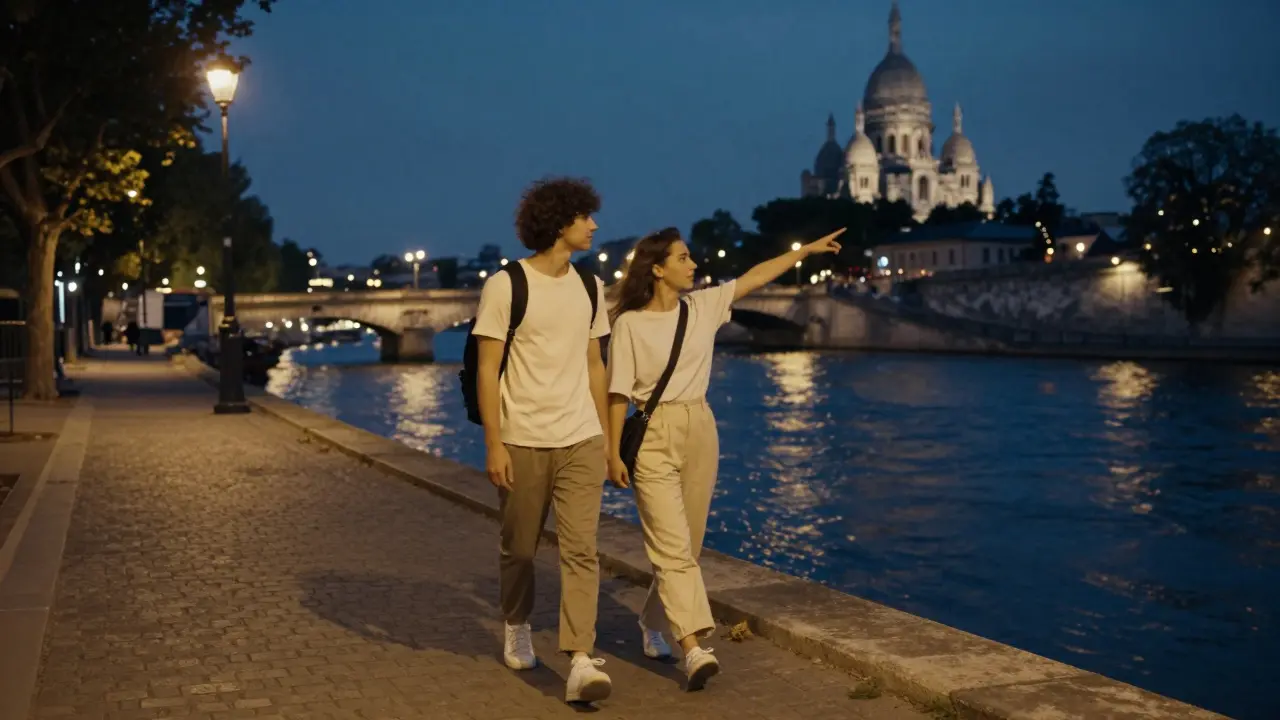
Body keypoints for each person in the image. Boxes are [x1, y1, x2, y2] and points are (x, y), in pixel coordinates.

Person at [605, 226, 844, 690]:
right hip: (652, 433)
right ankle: (694, 647)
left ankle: (652, 622)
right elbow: (617, 393)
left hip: (700, 427)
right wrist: (612, 452)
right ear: (657, 269)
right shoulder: (630, 324)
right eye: (683, 258)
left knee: (687, 545)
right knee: (672, 547)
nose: (693, 265)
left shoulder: (703, 306)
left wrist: (805, 250)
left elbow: (756, 277)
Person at [472, 177, 614, 705]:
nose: (594, 226)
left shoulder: (591, 286)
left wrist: (604, 436)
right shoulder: (506, 286)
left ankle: (579, 658)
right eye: (585, 217)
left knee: (582, 550)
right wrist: (494, 443)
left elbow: (595, 364)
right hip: (524, 438)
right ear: (560, 223)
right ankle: (517, 623)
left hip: (580, 437)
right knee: (522, 550)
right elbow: (488, 370)